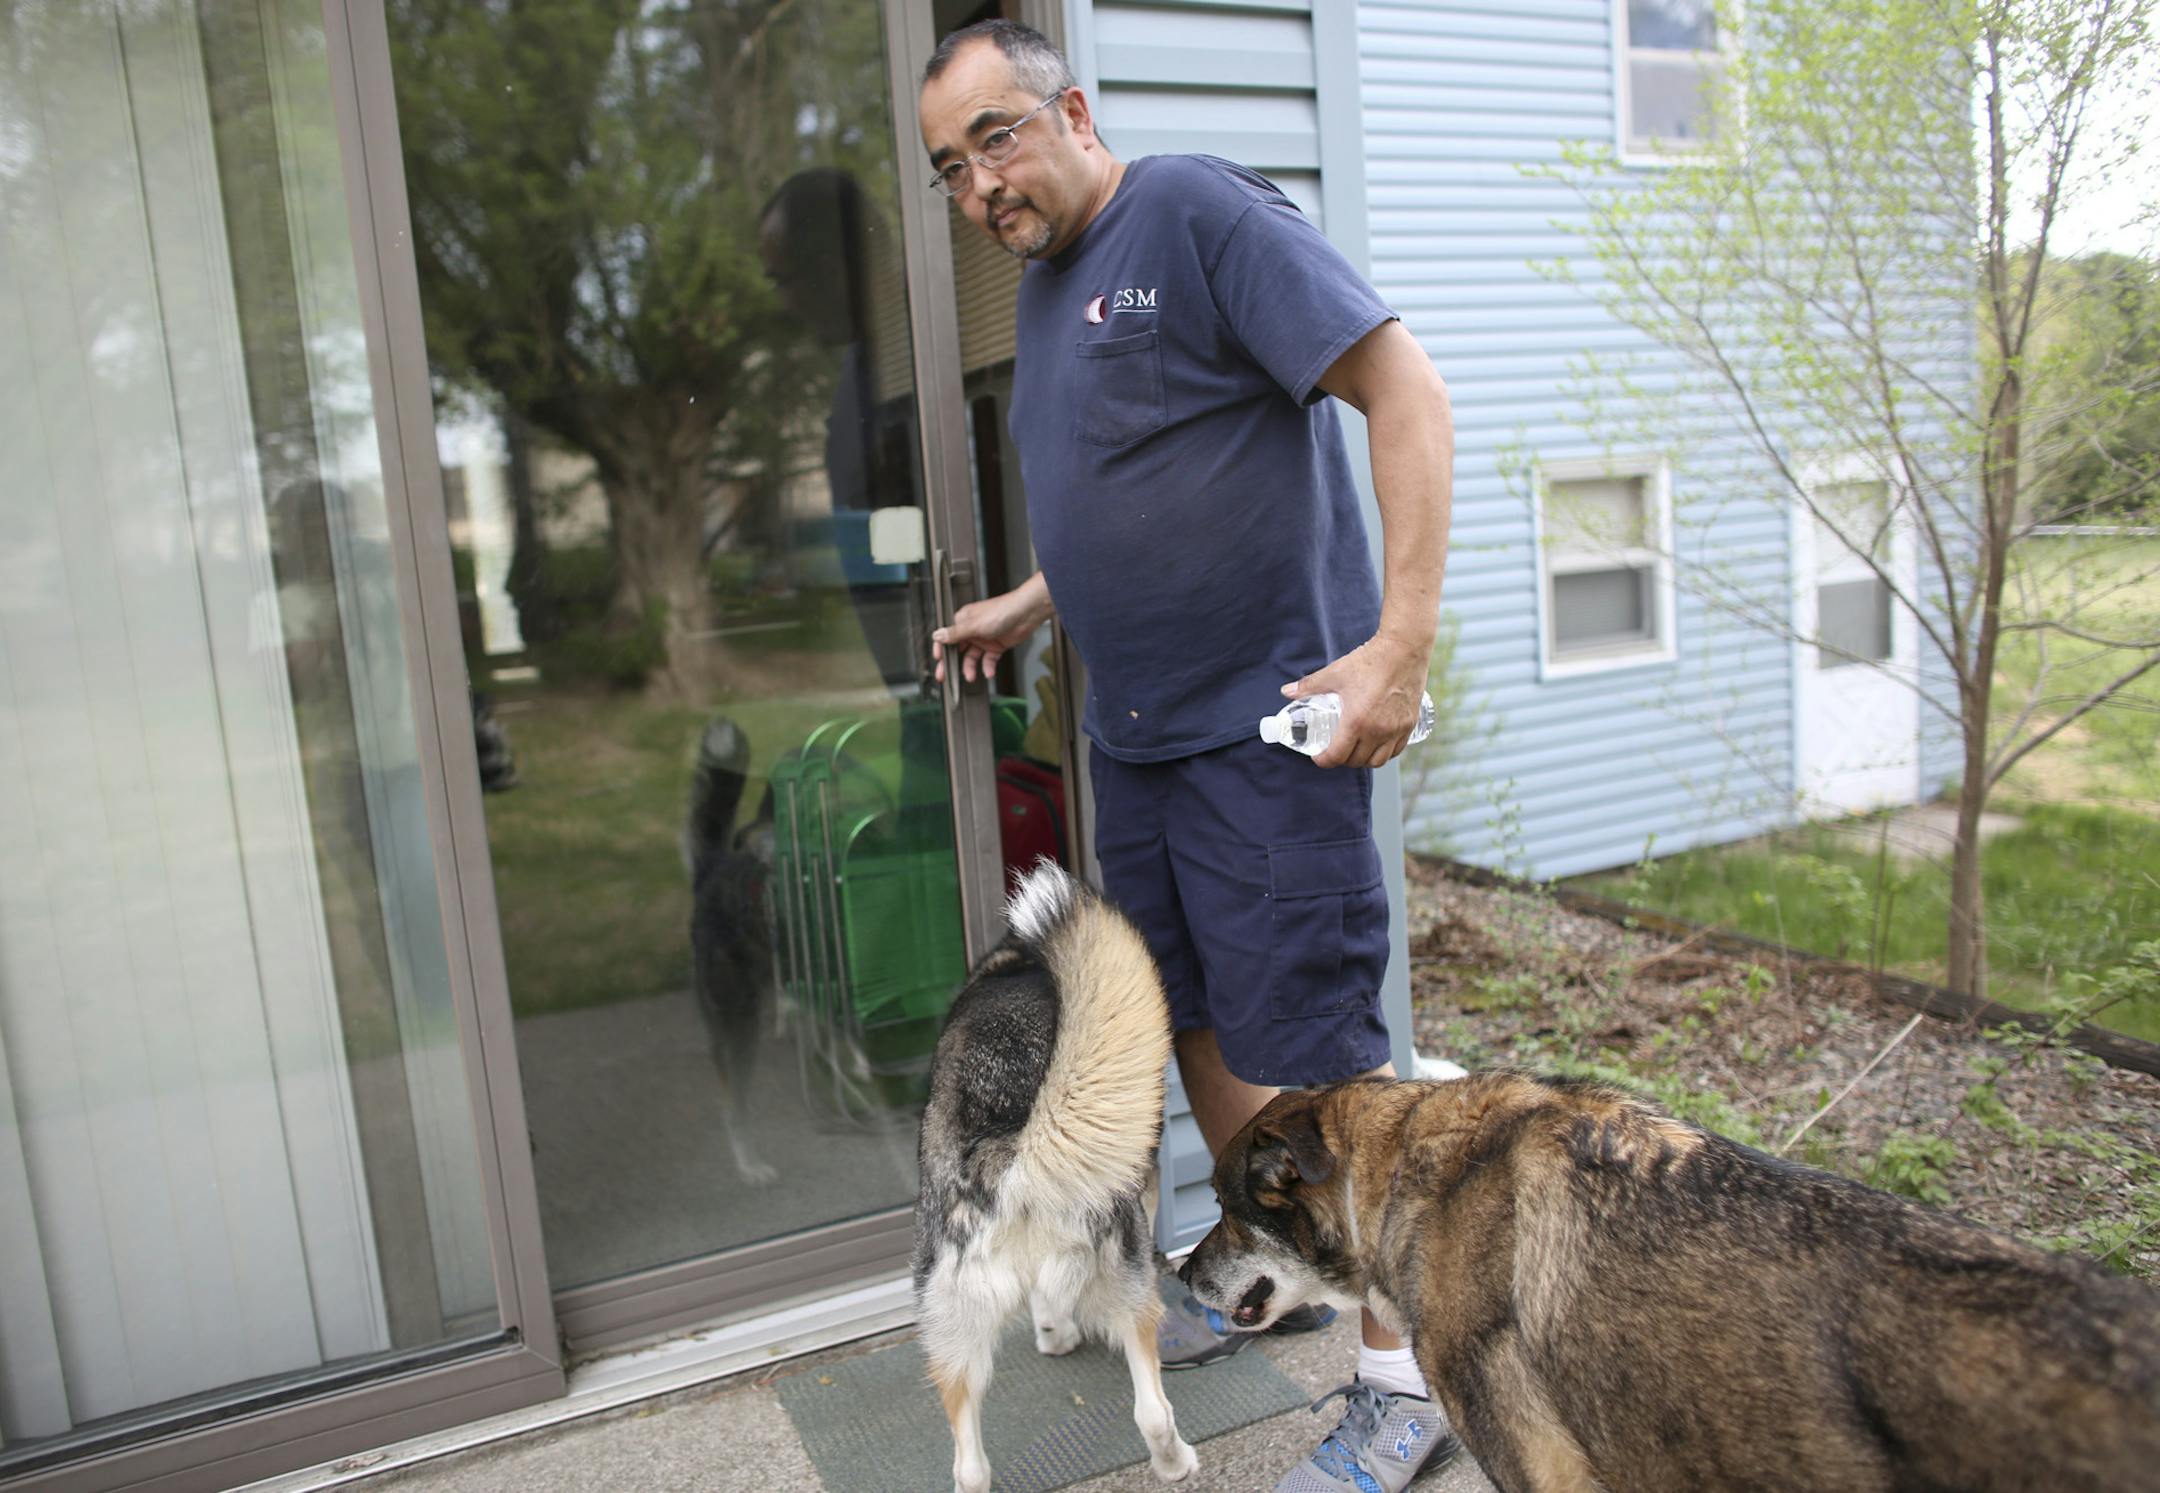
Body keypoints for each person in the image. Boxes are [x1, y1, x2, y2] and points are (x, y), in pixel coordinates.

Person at [917, 21, 1457, 1493]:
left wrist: (1400, 645)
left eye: (997, 142)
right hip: (1138, 747)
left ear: (1073, 109)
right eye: (951, 169)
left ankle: (1412, 1381)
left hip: (1263, 739)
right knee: (1198, 1025)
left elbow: (1406, 390)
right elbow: (1127, 474)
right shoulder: (1041, 291)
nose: (980, 185)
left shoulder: (1199, 214)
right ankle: (1275, 1263)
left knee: (1332, 1066)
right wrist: (1037, 595)